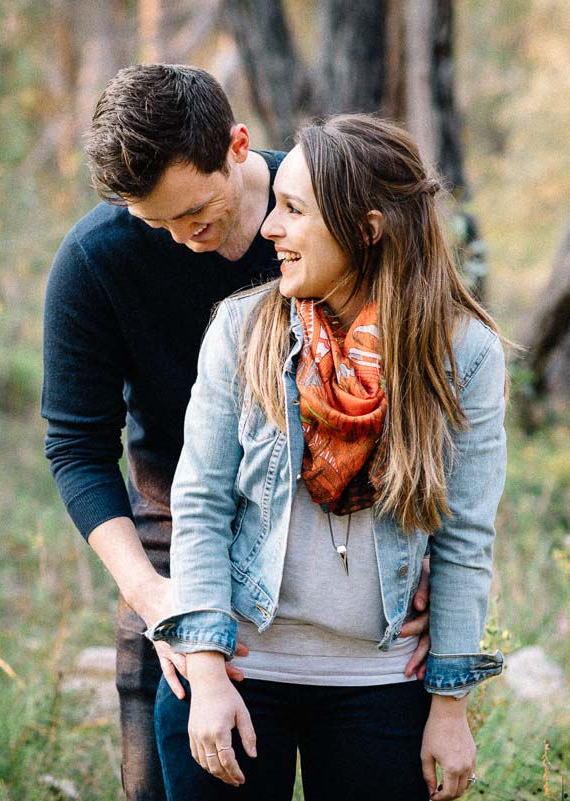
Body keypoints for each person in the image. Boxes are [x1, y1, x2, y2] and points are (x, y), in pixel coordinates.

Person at [41, 66, 432, 801]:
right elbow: (77, 445)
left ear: (237, 145)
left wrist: (423, 551)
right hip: (173, 531)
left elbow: (420, 377)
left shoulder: (331, 210)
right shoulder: (94, 261)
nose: (182, 238)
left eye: (193, 211)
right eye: (153, 222)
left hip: (346, 536)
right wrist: (150, 594)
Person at [150, 114, 507, 801]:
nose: (268, 230)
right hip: (242, 672)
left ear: (366, 229)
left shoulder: (464, 354)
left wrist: (451, 703)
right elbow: (198, 504)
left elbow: (465, 536)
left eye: (292, 210)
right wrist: (207, 668)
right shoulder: (241, 330)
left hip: (381, 686)